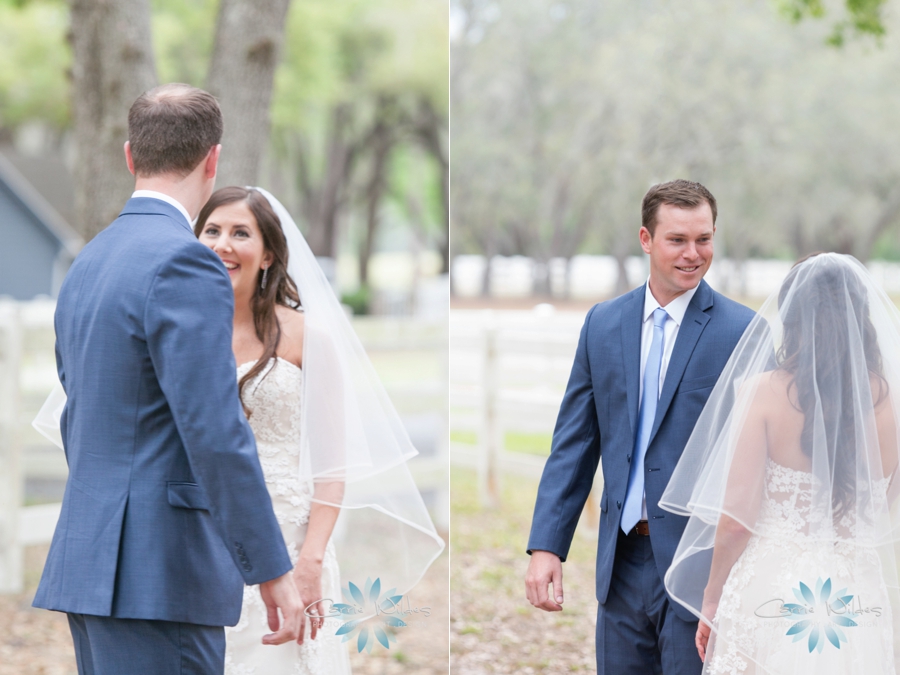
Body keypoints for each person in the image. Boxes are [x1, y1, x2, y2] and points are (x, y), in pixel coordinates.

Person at [31, 84, 302, 674]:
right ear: (213, 158)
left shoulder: (90, 261)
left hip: (90, 561)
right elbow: (214, 430)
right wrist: (272, 568)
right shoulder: (185, 261)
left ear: (130, 156)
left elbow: (80, 411)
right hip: (161, 571)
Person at [525, 179, 755, 674]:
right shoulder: (602, 324)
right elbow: (574, 444)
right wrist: (547, 545)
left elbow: (758, 464)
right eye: (678, 240)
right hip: (621, 561)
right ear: (646, 240)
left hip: (701, 564)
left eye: (705, 239)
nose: (694, 254)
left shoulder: (744, 333)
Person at [661, 253, 900, 674]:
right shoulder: (893, 403)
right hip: (857, 596)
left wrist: (713, 596)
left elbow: (736, 520)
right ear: (861, 316)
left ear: (791, 317)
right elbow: (887, 510)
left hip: (770, 591)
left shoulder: (763, 393)